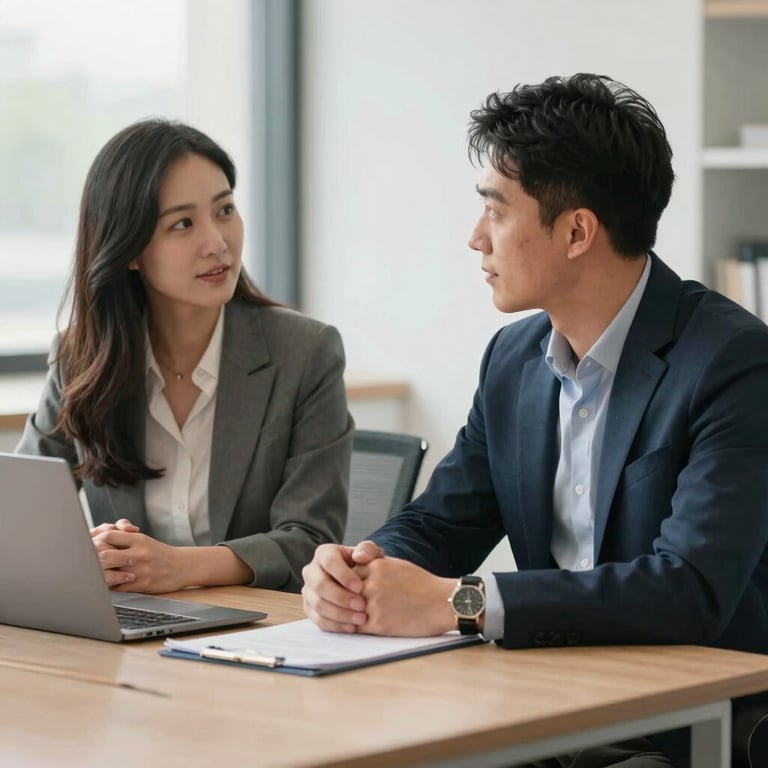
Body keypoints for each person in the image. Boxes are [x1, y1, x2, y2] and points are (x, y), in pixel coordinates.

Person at [301, 74, 768, 767]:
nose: (475, 239)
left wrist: (460, 602)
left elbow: (689, 588)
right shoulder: (514, 359)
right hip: (543, 703)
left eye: (495, 211)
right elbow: (442, 522)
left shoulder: (733, 361)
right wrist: (359, 570)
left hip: (683, 726)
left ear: (577, 231)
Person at [17, 118, 353, 595]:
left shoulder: (306, 354)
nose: (217, 242)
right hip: (130, 621)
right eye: (183, 223)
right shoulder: (81, 358)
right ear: (129, 249)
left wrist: (180, 567)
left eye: (225, 210)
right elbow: (22, 515)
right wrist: (87, 555)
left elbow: (311, 541)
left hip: (260, 626)